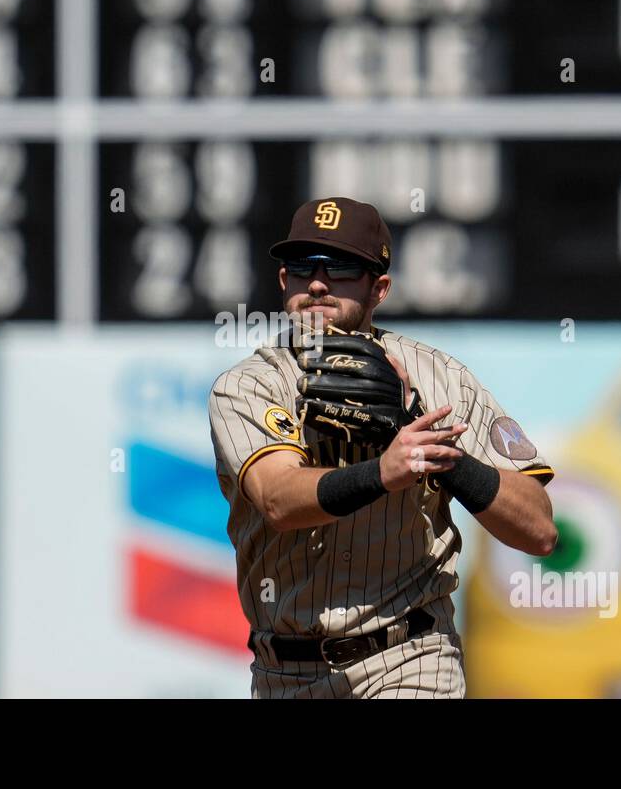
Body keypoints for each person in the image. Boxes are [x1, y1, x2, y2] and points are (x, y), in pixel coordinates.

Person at [207, 196, 556, 698]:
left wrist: (433, 448)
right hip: (284, 672)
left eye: (343, 267)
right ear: (284, 282)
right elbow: (279, 500)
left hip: (410, 659)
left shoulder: (442, 381)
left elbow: (539, 529)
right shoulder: (248, 387)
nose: (319, 283)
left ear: (380, 288)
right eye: (303, 266)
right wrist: (386, 470)